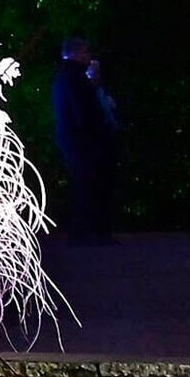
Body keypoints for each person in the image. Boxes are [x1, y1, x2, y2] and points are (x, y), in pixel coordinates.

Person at [48, 37, 120, 242]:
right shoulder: (75, 77)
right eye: (86, 53)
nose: (89, 57)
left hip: (74, 139)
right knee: (89, 184)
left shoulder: (65, 76)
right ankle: (89, 232)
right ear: (78, 53)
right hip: (82, 141)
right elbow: (85, 111)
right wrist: (96, 134)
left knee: (84, 184)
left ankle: (86, 231)